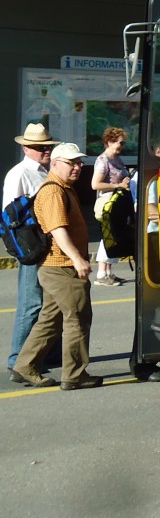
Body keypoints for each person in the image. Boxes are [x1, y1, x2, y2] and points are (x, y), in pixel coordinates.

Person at [12, 143, 103, 391]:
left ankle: (25, 365)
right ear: (55, 164)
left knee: (50, 320)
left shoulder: (64, 188)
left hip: (55, 267)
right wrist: (77, 259)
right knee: (78, 319)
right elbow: (57, 230)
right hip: (61, 267)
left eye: (79, 163)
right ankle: (74, 374)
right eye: (71, 163)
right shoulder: (53, 191)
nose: (77, 167)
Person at [5, 122, 59, 383]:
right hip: (31, 244)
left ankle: (44, 353)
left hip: (43, 242)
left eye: (48, 146)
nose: (46, 151)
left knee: (48, 301)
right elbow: (10, 215)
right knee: (31, 304)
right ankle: (17, 359)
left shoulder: (42, 171)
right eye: (40, 147)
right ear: (27, 149)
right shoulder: (20, 174)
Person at [91, 126, 131, 285]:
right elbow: (95, 184)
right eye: (119, 143)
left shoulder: (117, 159)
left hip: (117, 203)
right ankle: (101, 274)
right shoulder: (103, 160)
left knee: (114, 235)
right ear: (110, 142)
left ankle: (108, 272)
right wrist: (118, 186)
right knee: (108, 236)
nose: (122, 146)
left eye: (123, 143)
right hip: (107, 203)